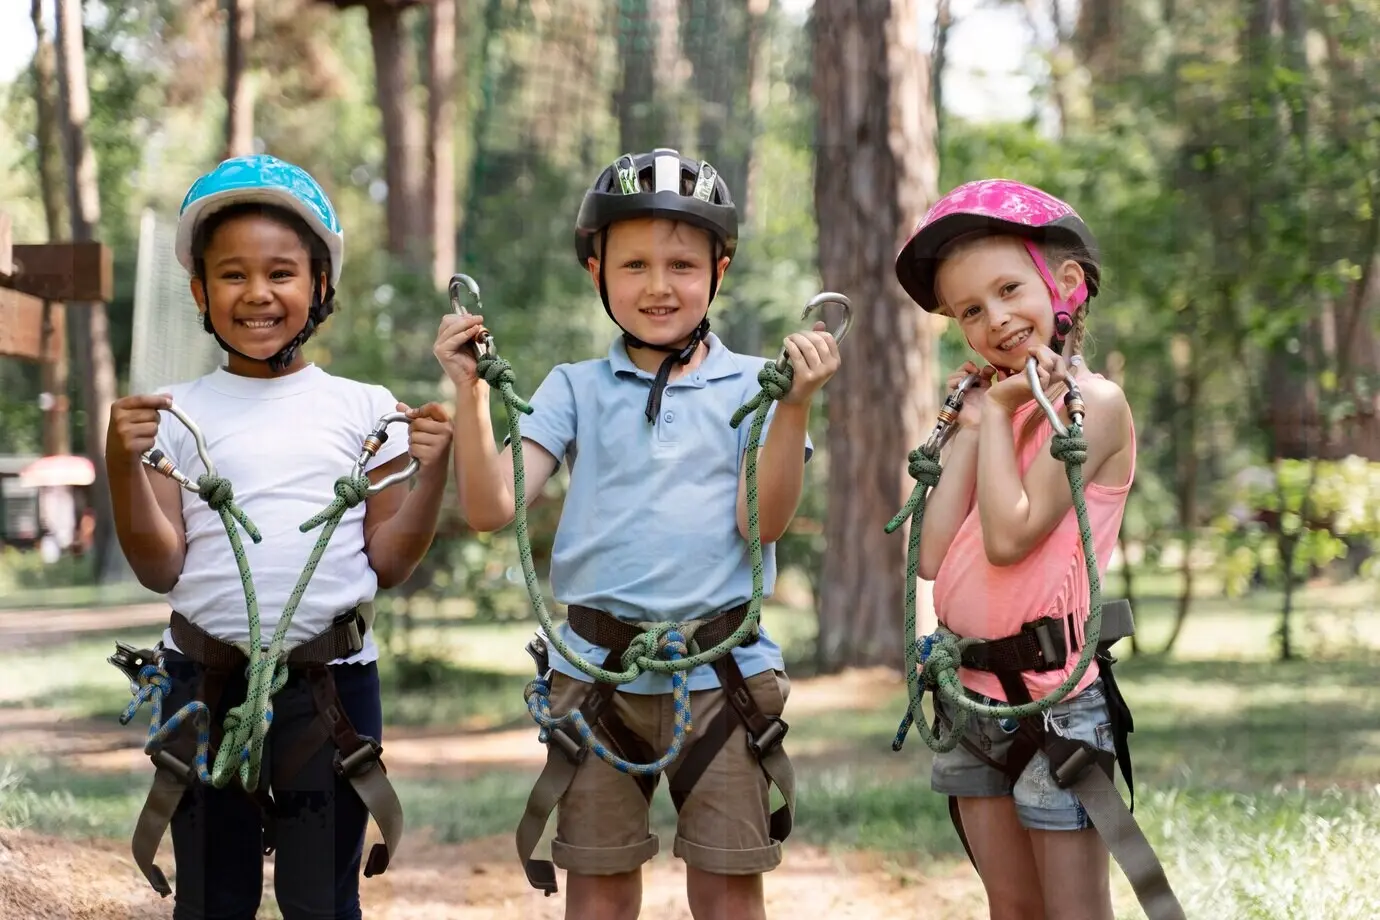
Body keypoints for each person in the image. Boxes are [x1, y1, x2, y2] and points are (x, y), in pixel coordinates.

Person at [432, 148, 840, 920]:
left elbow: (764, 523)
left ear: (720, 269)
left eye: (683, 264)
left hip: (723, 676)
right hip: (596, 676)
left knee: (727, 894)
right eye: (635, 265)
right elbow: (492, 508)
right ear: (597, 271)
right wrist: (470, 397)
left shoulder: (762, 385)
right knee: (600, 892)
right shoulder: (573, 388)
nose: (659, 286)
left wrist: (795, 408)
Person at [105, 154, 453, 920]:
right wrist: (122, 464)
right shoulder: (176, 413)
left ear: (320, 285)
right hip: (204, 683)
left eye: (282, 273)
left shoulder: (369, 412)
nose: (257, 293)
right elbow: (159, 566)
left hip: (329, 690)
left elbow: (389, 560)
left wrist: (432, 472)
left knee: (320, 900)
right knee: (210, 897)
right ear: (199, 291)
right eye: (232, 275)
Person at [894, 178, 1136, 920]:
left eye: (1008, 290)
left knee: (1072, 912)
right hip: (972, 698)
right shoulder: (987, 411)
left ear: (1063, 284)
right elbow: (931, 553)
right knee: (1013, 908)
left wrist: (998, 415)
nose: (995, 319)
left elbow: (1008, 537)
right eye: (971, 310)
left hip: (1057, 700)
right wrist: (971, 427)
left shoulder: (1091, 407)